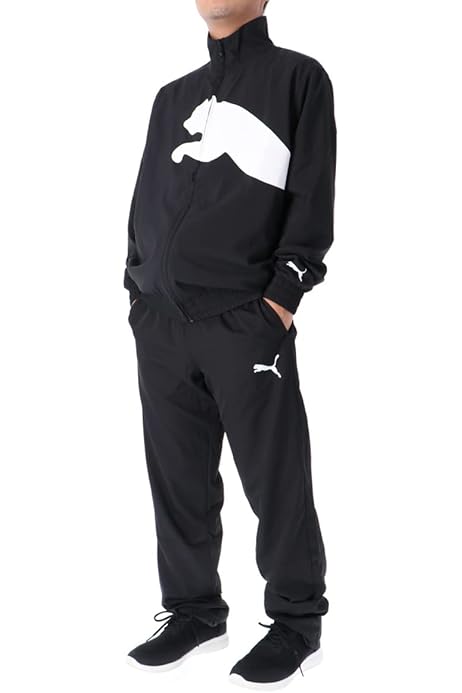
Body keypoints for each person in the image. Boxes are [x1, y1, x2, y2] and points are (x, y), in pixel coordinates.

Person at [124, 0, 336, 687]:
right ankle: (194, 612)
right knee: (177, 476)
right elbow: (147, 194)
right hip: (161, 321)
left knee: (276, 477)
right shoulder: (173, 97)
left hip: (246, 317)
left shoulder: (299, 79)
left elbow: (312, 192)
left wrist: (282, 297)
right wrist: (136, 287)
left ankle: (297, 623)